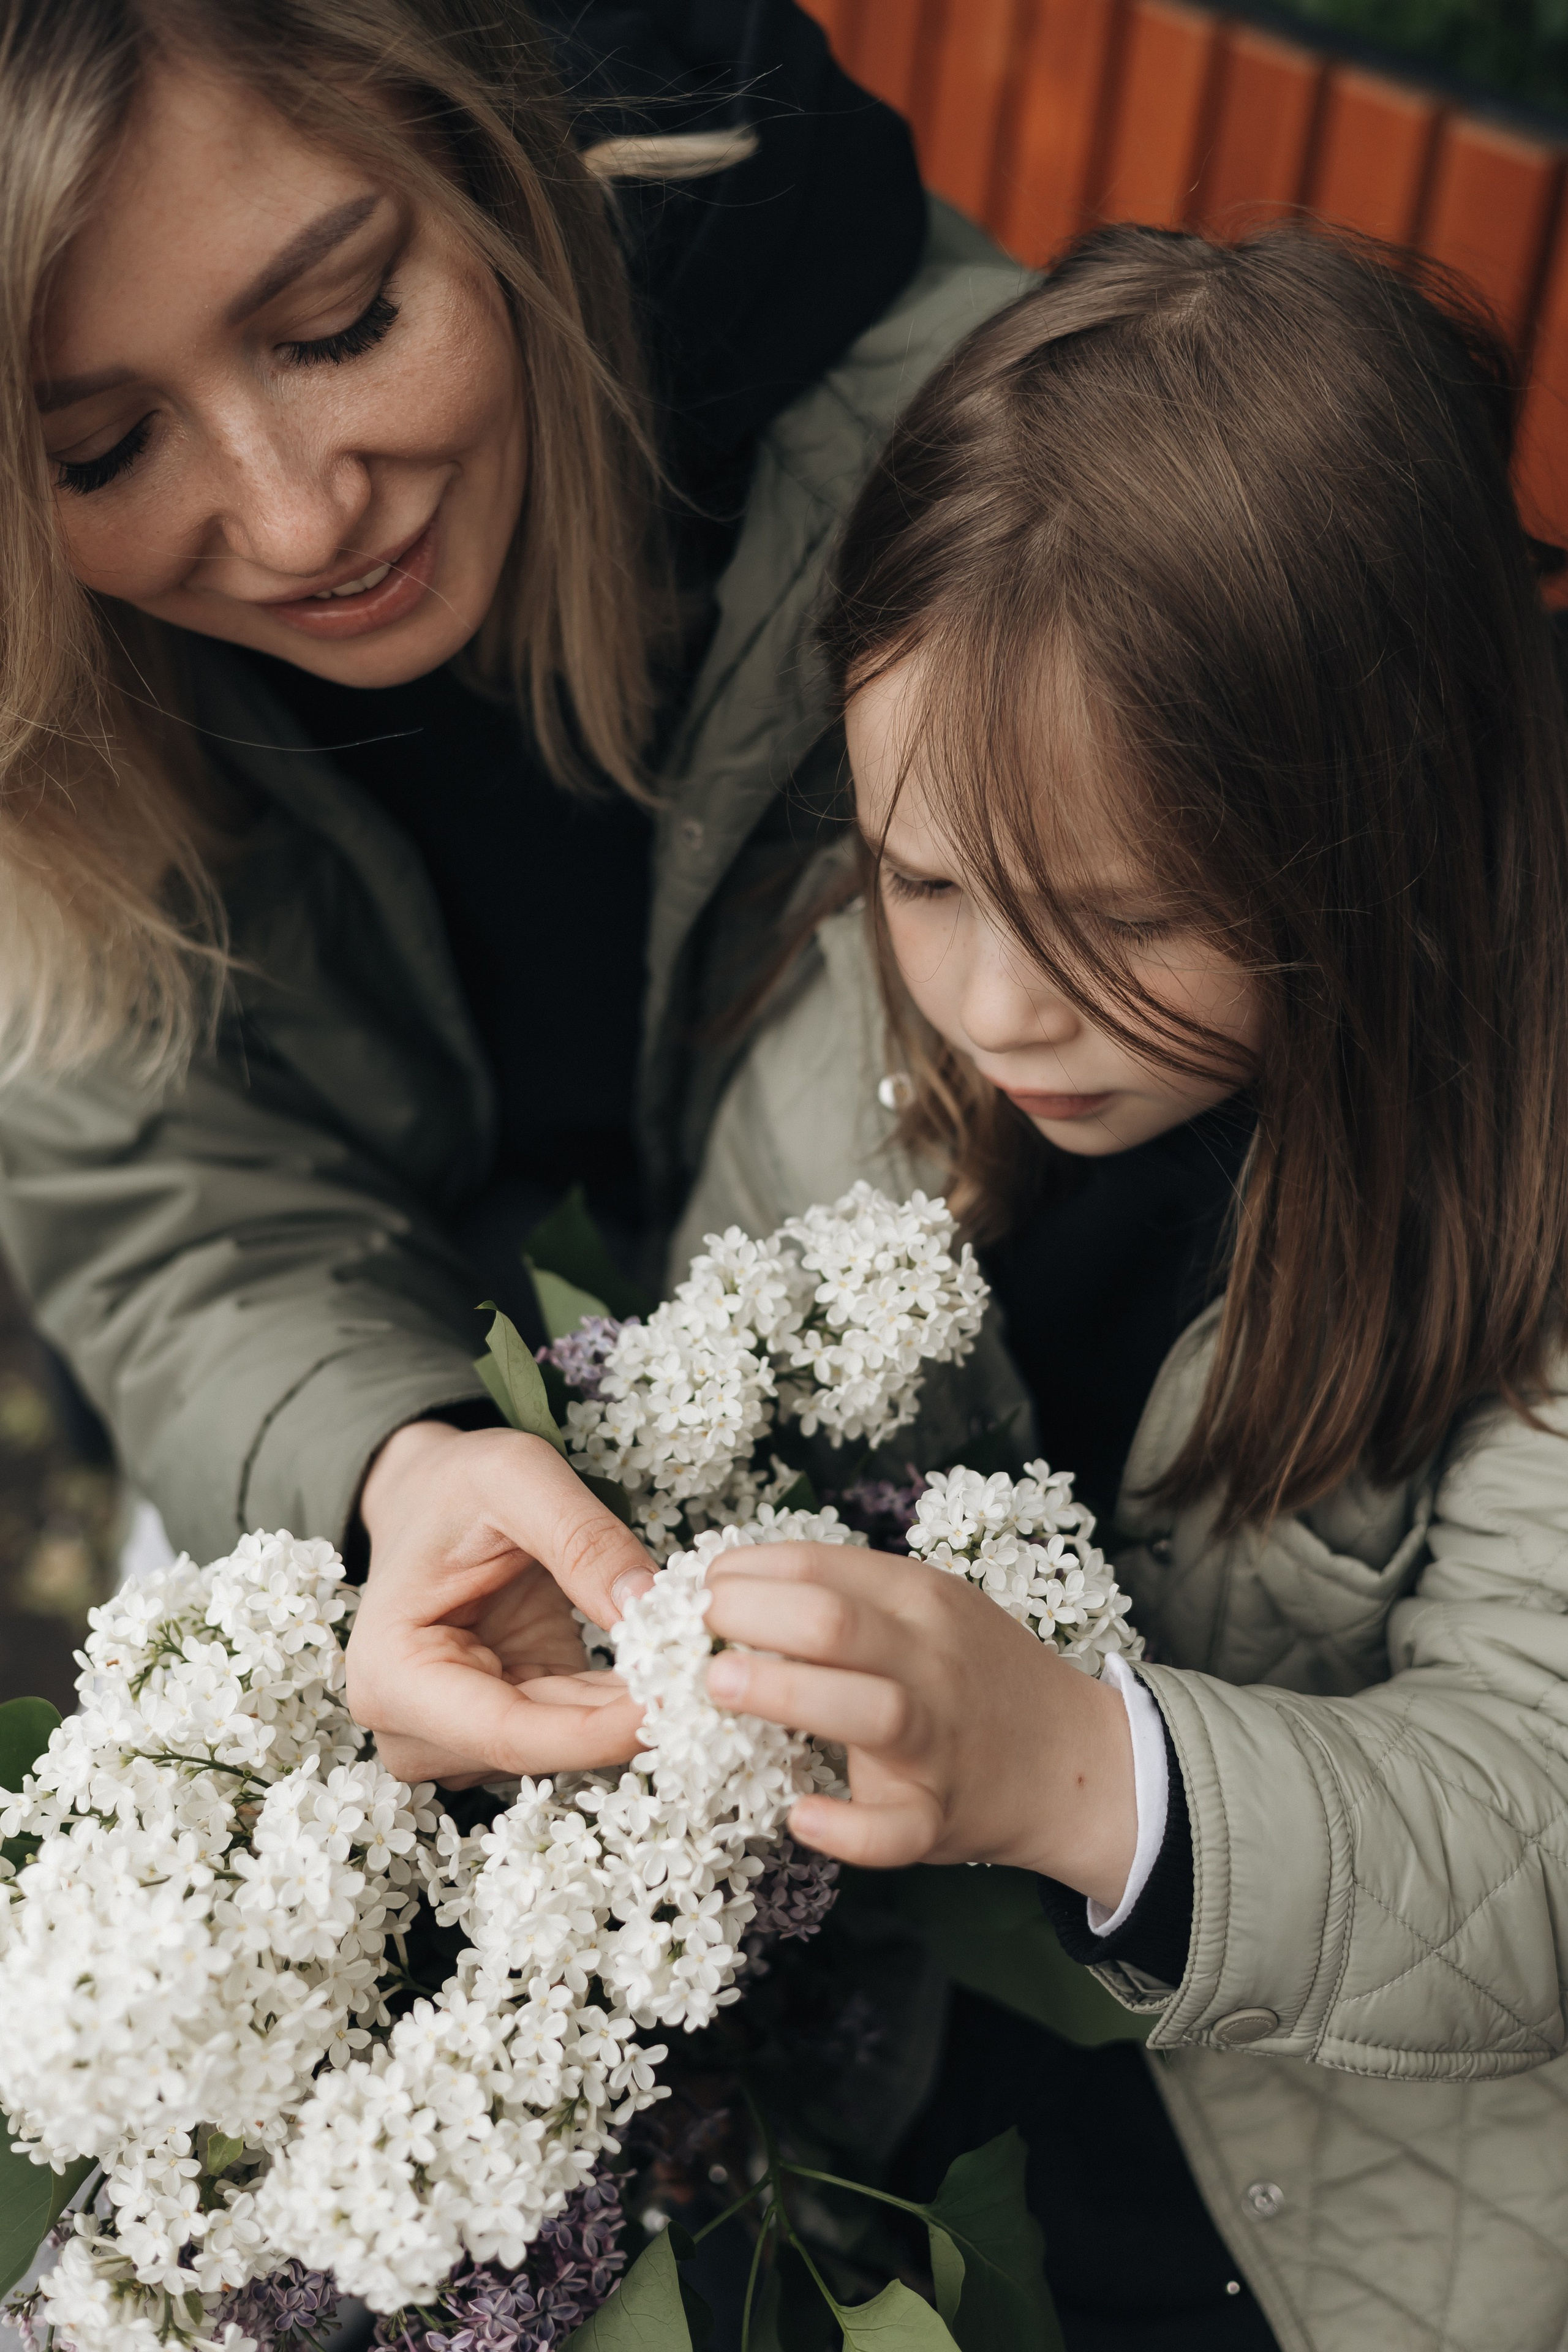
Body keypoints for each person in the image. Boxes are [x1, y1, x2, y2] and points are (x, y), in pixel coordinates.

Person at [668, 226, 1568, 2349]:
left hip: (1328, 2238)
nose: (988, 1006)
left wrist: (1081, 1774)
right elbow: (705, 1361)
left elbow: (1538, 1816)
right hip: (906, 2150)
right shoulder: (852, 1003)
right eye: (929, 875)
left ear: (1385, 834)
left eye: (1126, 913)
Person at [0, 0, 1029, 1784]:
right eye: (99, 450)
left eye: (343, 325)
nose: (299, 515)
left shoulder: (967, 499)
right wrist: (392, 1457)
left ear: (484, 146)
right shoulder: (56, 665)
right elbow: (156, 1182)